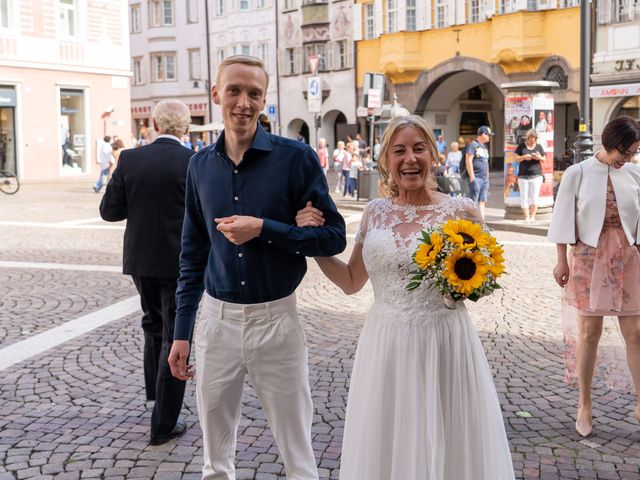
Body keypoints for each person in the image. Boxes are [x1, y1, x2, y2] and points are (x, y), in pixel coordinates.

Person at [295, 115, 514, 480]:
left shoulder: (461, 211)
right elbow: (351, 281)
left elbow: (482, 275)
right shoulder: (375, 212)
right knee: (389, 433)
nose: (409, 159)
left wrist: (462, 281)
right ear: (386, 161)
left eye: (418, 149)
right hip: (386, 343)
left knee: (449, 433)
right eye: (399, 151)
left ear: (434, 155)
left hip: (443, 341)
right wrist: (314, 245)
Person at [167, 55, 346, 480]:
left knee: (298, 453)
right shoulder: (199, 166)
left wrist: (266, 228)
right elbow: (192, 255)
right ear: (216, 95)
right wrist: (181, 332)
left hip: (277, 321)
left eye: (253, 93)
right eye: (234, 90)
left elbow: (333, 237)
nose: (243, 102)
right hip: (217, 322)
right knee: (215, 460)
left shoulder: (296, 158)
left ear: (264, 100)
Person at [99, 100, 195, 445]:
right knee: (176, 334)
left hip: (141, 260)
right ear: (185, 128)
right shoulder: (193, 162)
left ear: (154, 124)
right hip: (181, 262)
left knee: (153, 324)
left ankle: (156, 398)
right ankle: (164, 423)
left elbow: (109, 211)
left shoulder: (130, 159)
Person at [548, 115, 640, 438]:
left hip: (629, 259)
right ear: (609, 144)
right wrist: (562, 262)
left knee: (637, 332)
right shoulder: (578, 173)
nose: (627, 160)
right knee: (590, 333)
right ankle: (584, 402)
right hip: (587, 258)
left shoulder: (635, 174)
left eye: (632, 154)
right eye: (624, 153)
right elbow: (562, 219)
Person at [513, 129, 545, 223]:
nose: (532, 141)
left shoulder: (539, 147)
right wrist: (524, 157)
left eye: (534, 139)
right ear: (527, 138)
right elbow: (515, 158)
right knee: (524, 196)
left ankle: (533, 217)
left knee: (534, 196)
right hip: (523, 175)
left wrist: (538, 157)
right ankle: (526, 217)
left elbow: (544, 159)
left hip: (536, 175)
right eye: (530, 139)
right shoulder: (521, 147)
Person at [464, 126, 493, 218]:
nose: (489, 137)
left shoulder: (484, 147)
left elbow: (486, 162)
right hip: (476, 177)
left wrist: (487, 176)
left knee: (482, 201)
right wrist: (472, 177)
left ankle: (481, 223)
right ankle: (472, 222)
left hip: (484, 178)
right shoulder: (473, 144)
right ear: (483, 134)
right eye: (488, 135)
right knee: (473, 201)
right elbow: (468, 160)